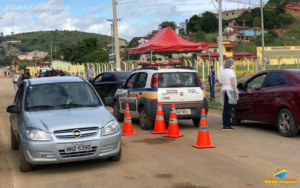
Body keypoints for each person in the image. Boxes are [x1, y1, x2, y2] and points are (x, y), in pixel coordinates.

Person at [219, 59, 238, 131]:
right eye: (232, 64)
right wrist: (235, 91)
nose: (233, 65)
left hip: (224, 89)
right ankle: (228, 125)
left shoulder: (222, 72)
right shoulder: (231, 72)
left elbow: (220, 82)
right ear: (230, 64)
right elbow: (233, 82)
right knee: (230, 108)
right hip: (230, 89)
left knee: (225, 108)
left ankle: (224, 125)